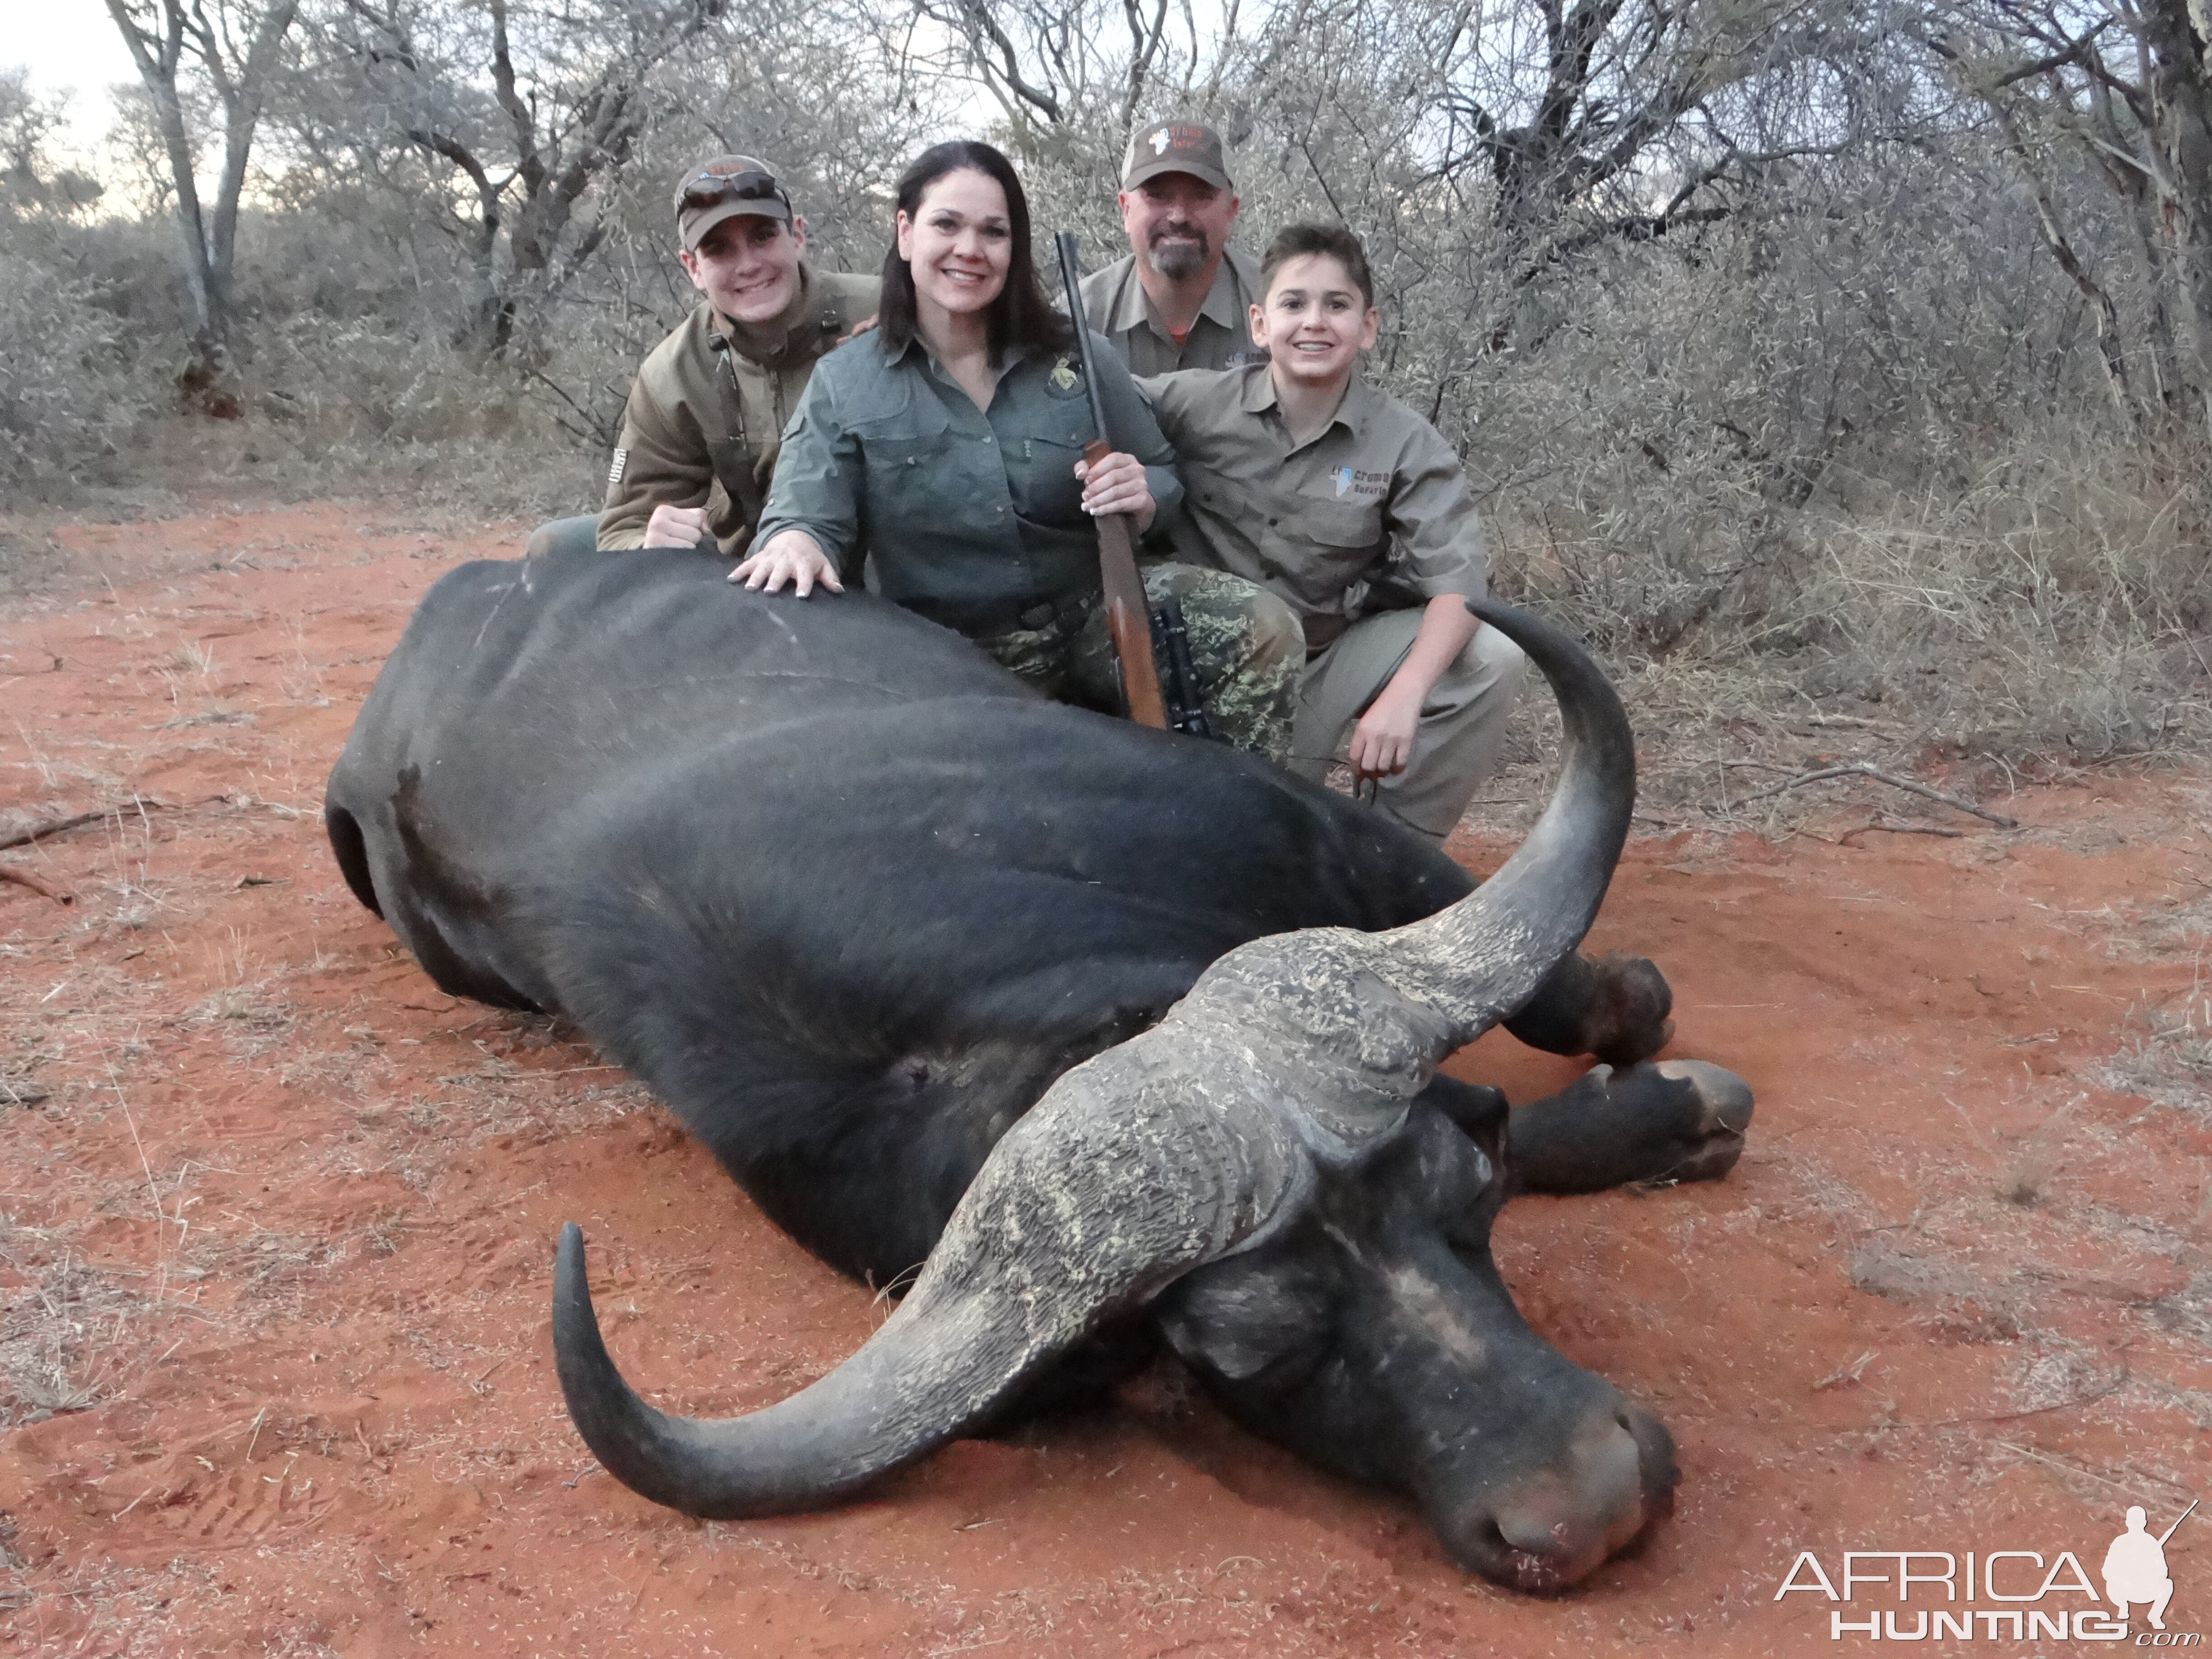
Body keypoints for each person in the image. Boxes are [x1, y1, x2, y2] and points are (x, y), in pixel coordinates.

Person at [738, 139, 1300, 756]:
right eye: (946, 225)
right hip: (944, 652)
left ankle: (1238, 828)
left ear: (1016, 247)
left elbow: (1163, 476)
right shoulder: (845, 383)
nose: (970, 250)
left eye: (994, 232)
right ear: (905, 232)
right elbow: (801, 516)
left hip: (1094, 616)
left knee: (1263, 630)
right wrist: (794, 541)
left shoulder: (1078, 354)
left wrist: (1141, 497)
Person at [1138, 223, 1528, 844]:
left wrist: (1404, 695)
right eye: (1294, 304)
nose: (1314, 322)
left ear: (1368, 326)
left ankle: (1392, 855)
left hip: (1315, 672)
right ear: (1260, 325)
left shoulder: (1404, 440)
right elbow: (1094, 399)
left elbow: (1460, 587)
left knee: (1492, 655)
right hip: (1197, 679)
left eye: (1337, 305)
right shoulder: (1192, 402)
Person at [523, 154, 880, 560]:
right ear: (692, 267)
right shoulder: (673, 373)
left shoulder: (888, 312)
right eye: (719, 250)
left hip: (877, 556)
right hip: (752, 563)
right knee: (553, 549)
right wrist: (650, 539)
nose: (748, 265)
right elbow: (626, 524)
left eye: (763, 237)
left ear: (797, 237)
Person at [1078, 120, 1265, 376]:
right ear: (1126, 210)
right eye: (1158, 195)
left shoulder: (1279, 304)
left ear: (1231, 213)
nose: (1178, 217)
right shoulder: (1078, 319)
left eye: (1201, 196)